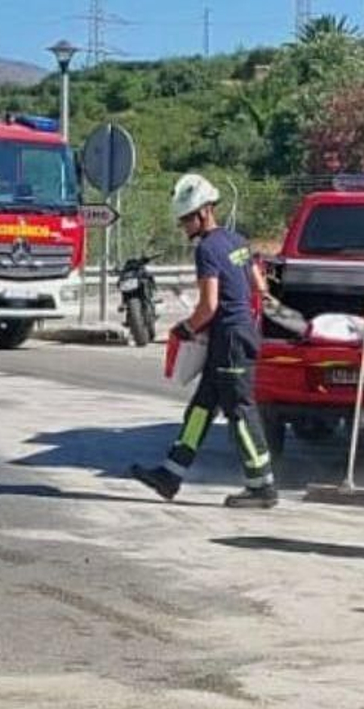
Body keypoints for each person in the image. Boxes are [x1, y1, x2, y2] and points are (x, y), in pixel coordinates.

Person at [129, 173, 278, 509]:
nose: (183, 226)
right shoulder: (237, 240)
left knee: (240, 412)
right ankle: (170, 473)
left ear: (204, 212)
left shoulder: (207, 249)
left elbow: (208, 305)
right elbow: (259, 286)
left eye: (186, 219)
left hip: (229, 340)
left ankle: (262, 485)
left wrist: (185, 328)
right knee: (201, 408)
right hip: (235, 335)